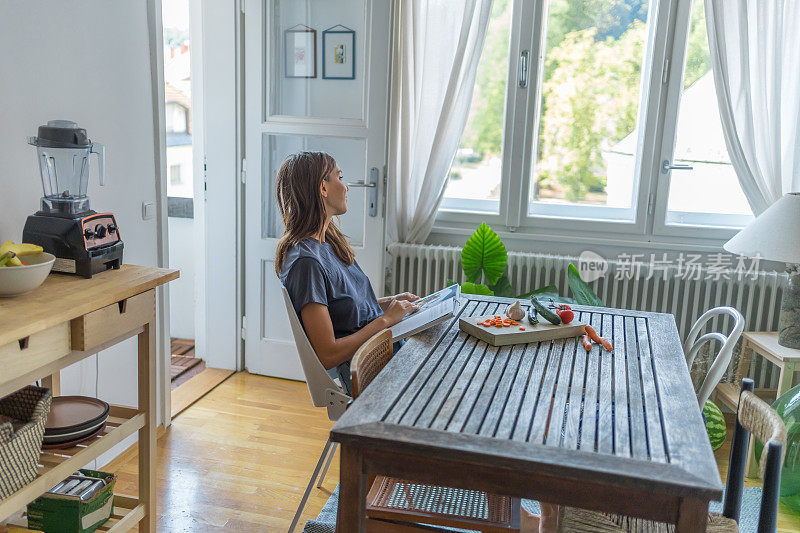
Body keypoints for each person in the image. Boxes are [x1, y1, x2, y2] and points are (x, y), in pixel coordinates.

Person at [275, 151, 419, 394]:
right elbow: (327, 354)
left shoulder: (328, 243)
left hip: (385, 353)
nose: (347, 187)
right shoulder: (306, 263)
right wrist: (385, 320)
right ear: (323, 187)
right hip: (369, 372)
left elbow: (346, 312)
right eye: (339, 177)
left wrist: (390, 304)